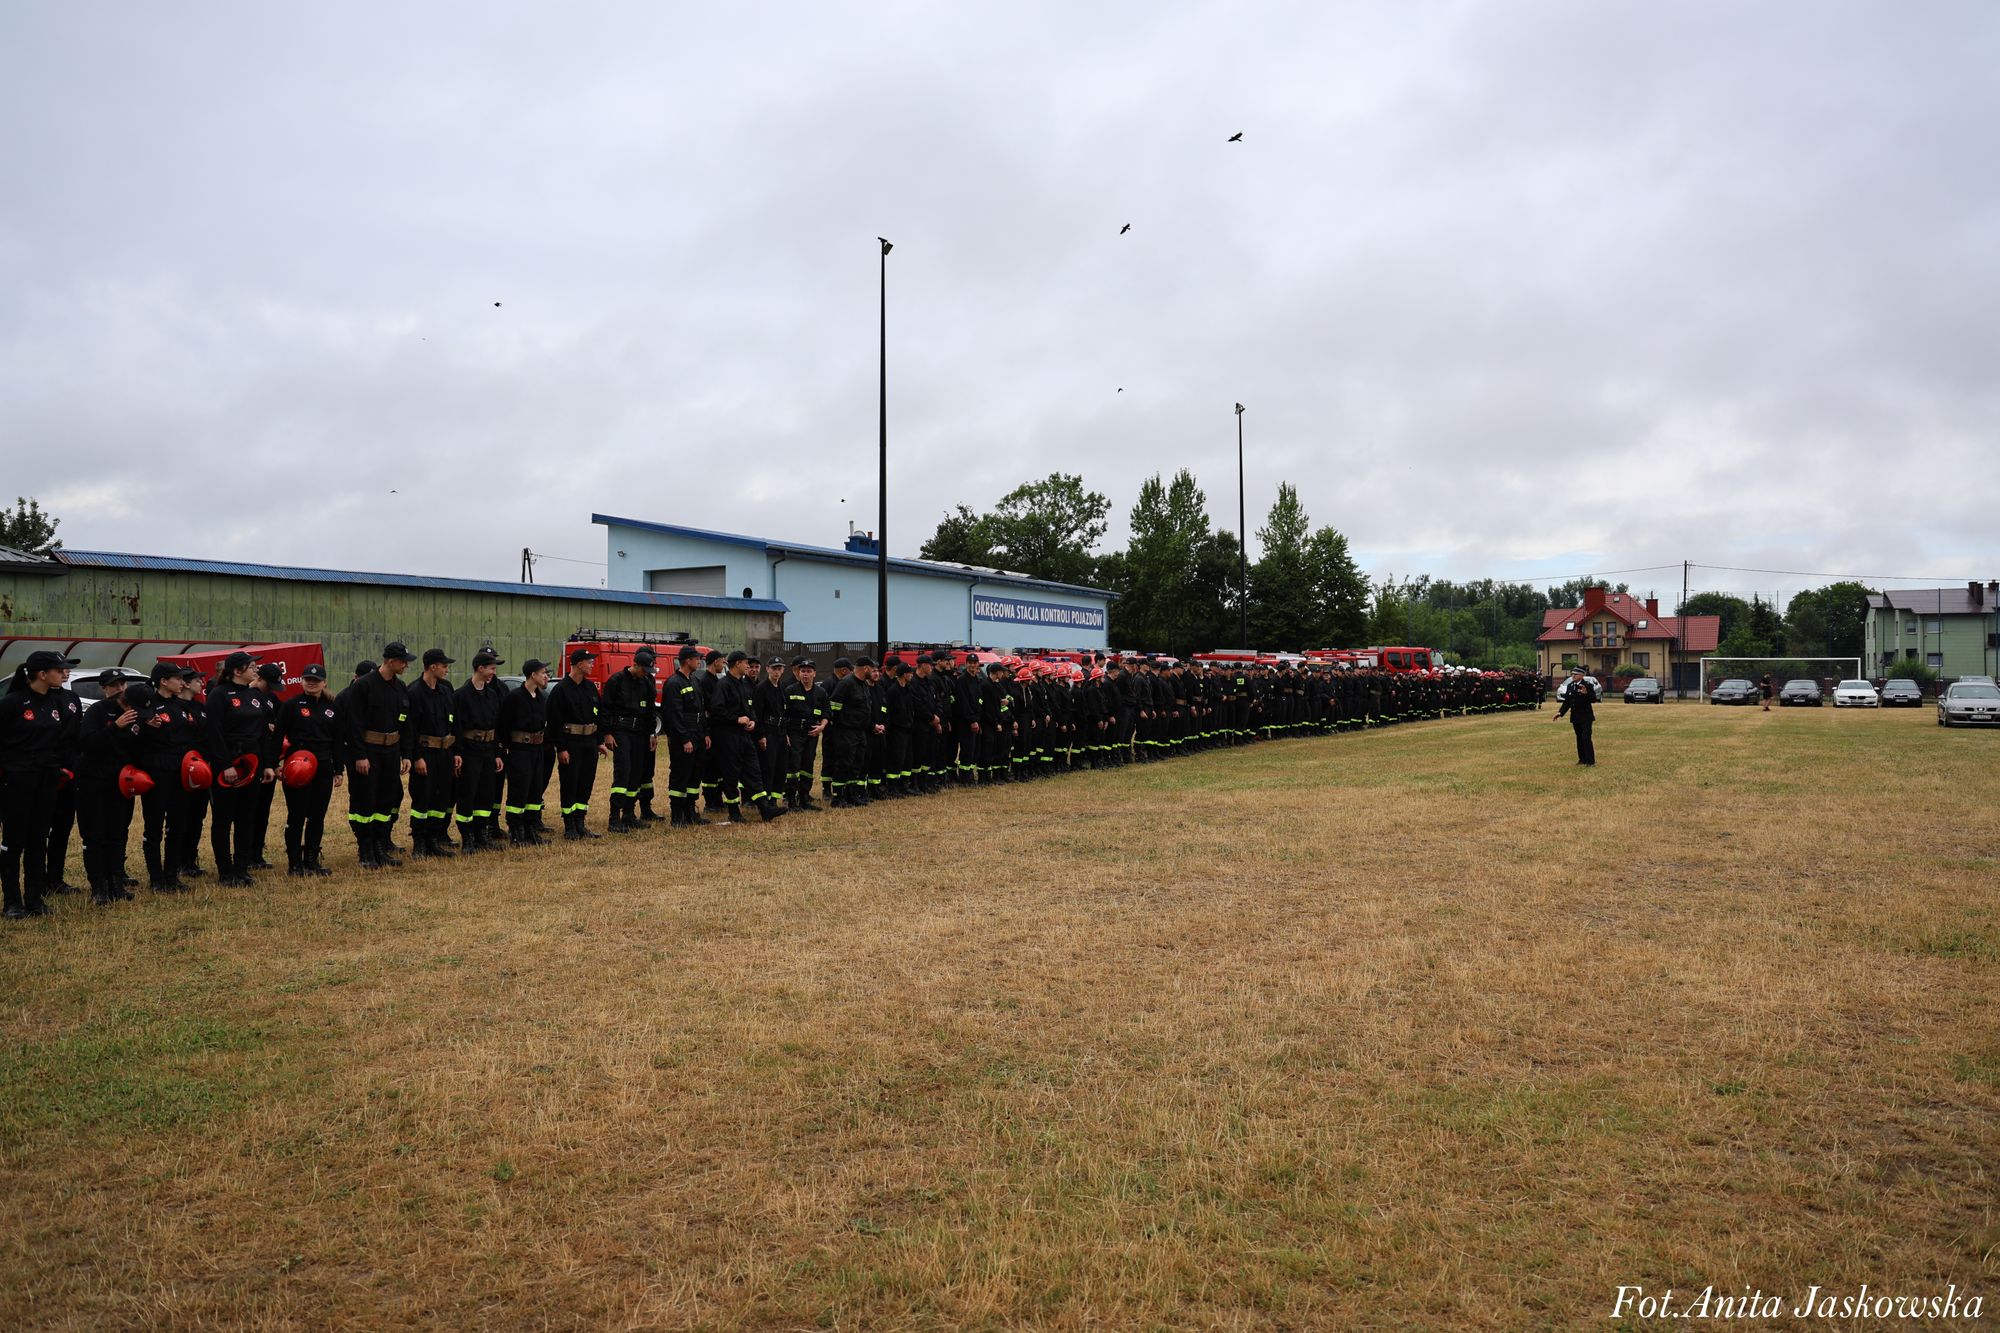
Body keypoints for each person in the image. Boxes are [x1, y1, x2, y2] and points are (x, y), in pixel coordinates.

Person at [0, 650, 81, 918]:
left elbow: (60, 742)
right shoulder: (13, 703)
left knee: (38, 840)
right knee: (14, 841)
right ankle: (12, 902)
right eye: (59, 670)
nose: (63, 674)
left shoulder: (55, 703)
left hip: (47, 780)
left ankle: (34, 899)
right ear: (42, 674)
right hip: (17, 781)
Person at [341, 644, 416, 869]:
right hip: (369, 752)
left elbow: (406, 724)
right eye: (403, 661)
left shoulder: (400, 687)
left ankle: (380, 847)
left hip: (391, 752)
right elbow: (353, 724)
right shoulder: (364, 686)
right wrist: (360, 756)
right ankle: (366, 851)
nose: (406, 665)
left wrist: (406, 754)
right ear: (390, 661)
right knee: (366, 800)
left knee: (386, 800)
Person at [75, 668, 141, 904]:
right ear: (104, 688)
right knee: (95, 835)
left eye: (123, 684)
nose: (120, 688)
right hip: (92, 780)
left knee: (116, 833)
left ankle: (116, 883)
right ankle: (99, 887)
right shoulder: (97, 711)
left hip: (121, 782)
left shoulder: (134, 712)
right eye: (114, 685)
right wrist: (116, 726)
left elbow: (137, 748)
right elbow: (87, 744)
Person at [203, 650, 268, 886]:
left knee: (246, 817)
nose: (256, 670)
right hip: (228, 765)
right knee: (223, 819)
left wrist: (267, 765)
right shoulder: (219, 695)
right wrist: (225, 764)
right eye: (252, 666)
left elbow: (262, 733)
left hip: (252, 765)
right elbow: (215, 733)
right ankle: (225, 871)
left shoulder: (254, 695)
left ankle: (242, 868)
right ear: (237, 671)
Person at [278, 663, 341, 876]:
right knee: (296, 815)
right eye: (308, 680)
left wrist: (339, 769)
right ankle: (294, 863)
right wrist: (274, 764)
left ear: (324, 683)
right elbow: (277, 736)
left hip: (323, 765)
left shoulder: (333, 707)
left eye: (316, 681)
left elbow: (338, 740)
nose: (312, 683)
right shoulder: (291, 705)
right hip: (298, 764)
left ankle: (312, 860)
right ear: (302, 682)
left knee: (317, 815)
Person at [548, 648, 607, 839]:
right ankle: (569, 826)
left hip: (589, 742)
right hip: (570, 743)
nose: (592, 665)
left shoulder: (590, 688)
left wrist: (599, 741)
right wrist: (561, 748)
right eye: (589, 662)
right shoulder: (561, 690)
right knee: (570, 783)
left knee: (585, 783)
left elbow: (598, 714)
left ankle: (581, 823)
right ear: (579, 664)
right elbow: (555, 722)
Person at [452, 649, 507, 852]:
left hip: (488, 750)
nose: (493, 672)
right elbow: (456, 727)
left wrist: (497, 754)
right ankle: (467, 838)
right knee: (468, 794)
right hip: (470, 750)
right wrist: (457, 753)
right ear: (480, 668)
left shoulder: (492, 694)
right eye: (491, 668)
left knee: (486, 794)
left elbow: (496, 727)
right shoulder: (461, 695)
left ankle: (481, 835)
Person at [406, 648, 460, 858]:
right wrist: (417, 756)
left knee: (441, 799)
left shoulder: (446, 691)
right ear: (432, 667)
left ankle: (433, 840)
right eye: (444, 666)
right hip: (425, 754)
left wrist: (456, 751)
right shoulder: (414, 692)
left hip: (445, 753)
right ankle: (420, 843)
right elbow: (411, 729)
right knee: (422, 799)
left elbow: (454, 723)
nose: (447, 669)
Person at [601, 648, 659, 833]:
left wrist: (652, 734)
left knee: (636, 773)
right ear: (635, 665)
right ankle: (614, 818)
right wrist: (607, 733)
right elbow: (605, 709)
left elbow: (650, 711)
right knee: (623, 772)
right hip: (621, 731)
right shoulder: (616, 681)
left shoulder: (646, 682)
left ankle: (629, 814)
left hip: (640, 733)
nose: (645, 674)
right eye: (644, 670)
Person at [499, 659, 551, 844]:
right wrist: (505, 749)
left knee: (535, 790)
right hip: (519, 750)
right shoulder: (514, 697)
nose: (546, 676)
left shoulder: (543, 698)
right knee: (519, 789)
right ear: (532, 675)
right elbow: (503, 725)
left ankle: (531, 828)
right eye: (543, 672)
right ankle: (516, 830)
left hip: (537, 750)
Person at [662, 646, 709, 826]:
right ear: (687, 660)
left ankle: (690, 811)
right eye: (697, 658)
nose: (699, 661)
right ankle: (677, 815)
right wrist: (685, 739)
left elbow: (700, 710)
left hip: (697, 733)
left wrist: (705, 734)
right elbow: (673, 715)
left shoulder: (695, 681)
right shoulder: (674, 683)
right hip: (684, 736)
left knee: (695, 775)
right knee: (680, 775)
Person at [781, 657, 826, 811]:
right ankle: (791, 799)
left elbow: (826, 714)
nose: (805, 674)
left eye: (808, 671)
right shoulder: (790, 690)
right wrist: (785, 733)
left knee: (808, 765)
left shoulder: (821, 692)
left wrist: (822, 728)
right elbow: (783, 714)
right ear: (798, 673)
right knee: (793, 766)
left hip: (812, 734)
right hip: (794, 733)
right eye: (803, 671)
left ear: (814, 674)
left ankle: (805, 798)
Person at [1554, 663, 1601, 766]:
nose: (1573, 676)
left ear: (1581, 675)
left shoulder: (1587, 685)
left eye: (1575, 674)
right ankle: (1582, 759)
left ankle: (1590, 761)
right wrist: (1560, 712)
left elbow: (1594, 699)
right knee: (1579, 738)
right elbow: (1567, 702)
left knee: (1586, 738)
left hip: (1586, 717)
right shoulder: (1570, 686)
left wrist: (1586, 694)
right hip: (1575, 717)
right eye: (1572, 674)